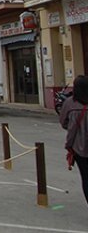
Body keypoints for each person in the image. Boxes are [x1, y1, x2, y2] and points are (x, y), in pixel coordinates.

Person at [60, 74, 88, 204]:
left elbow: (64, 122)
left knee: (86, 177)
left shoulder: (70, 103)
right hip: (79, 147)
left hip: (79, 147)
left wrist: (70, 144)